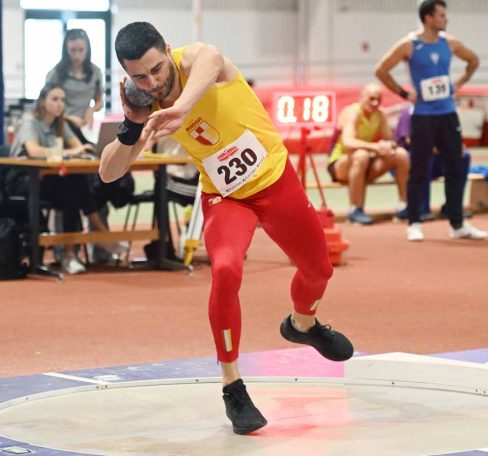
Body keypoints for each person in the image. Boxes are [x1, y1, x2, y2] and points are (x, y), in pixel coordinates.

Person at [99, 22, 354, 434]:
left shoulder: (194, 60)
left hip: (276, 181)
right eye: (139, 77)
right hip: (226, 197)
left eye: (157, 69)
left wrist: (182, 108)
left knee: (318, 270)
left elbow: (212, 58)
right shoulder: (146, 103)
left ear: (168, 50)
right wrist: (130, 127)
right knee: (225, 268)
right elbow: (108, 172)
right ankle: (232, 385)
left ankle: (302, 324)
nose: (153, 82)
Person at [375, 0, 486, 241]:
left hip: (447, 115)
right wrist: (405, 94)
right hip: (423, 117)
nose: (446, 19)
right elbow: (381, 70)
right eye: (441, 15)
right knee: (419, 169)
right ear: (428, 18)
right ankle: (414, 222)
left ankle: (457, 224)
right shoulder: (409, 45)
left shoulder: (450, 43)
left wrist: (458, 84)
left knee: (455, 167)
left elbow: (473, 60)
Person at [5, 83, 123, 274]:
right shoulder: (30, 121)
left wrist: (76, 150)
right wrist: (69, 152)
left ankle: (71, 252)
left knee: (74, 186)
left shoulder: (60, 123)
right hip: (23, 180)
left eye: (62, 100)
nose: (60, 104)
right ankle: (97, 235)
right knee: (73, 187)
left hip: (49, 179)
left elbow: (78, 147)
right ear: (43, 102)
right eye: (54, 99)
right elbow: (33, 151)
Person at [327, 83, 409, 225]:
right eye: (371, 99)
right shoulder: (352, 113)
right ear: (361, 98)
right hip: (340, 164)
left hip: (364, 164)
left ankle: (404, 206)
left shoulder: (380, 114)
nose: (375, 103)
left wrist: (387, 146)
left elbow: (391, 141)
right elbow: (348, 143)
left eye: (378, 100)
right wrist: (375, 147)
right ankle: (355, 209)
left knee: (400, 154)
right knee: (361, 155)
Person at [394, 103, 472, 221]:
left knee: (463, 156)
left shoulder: (444, 111)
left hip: (437, 158)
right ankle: (421, 208)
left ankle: (453, 207)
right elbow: (410, 140)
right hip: (410, 160)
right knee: (425, 156)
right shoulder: (410, 110)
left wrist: (455, 146)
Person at [46, 28, 103, 144]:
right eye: (72, 50)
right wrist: (68, 118)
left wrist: (91, 110)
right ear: (66, 50)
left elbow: (99, 101)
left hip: (85, 127)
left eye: (81, 50)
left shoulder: (95, 72)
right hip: (61, 127)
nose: (77, 55)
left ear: (87, 49)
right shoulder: (55, 74)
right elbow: (46, 104)